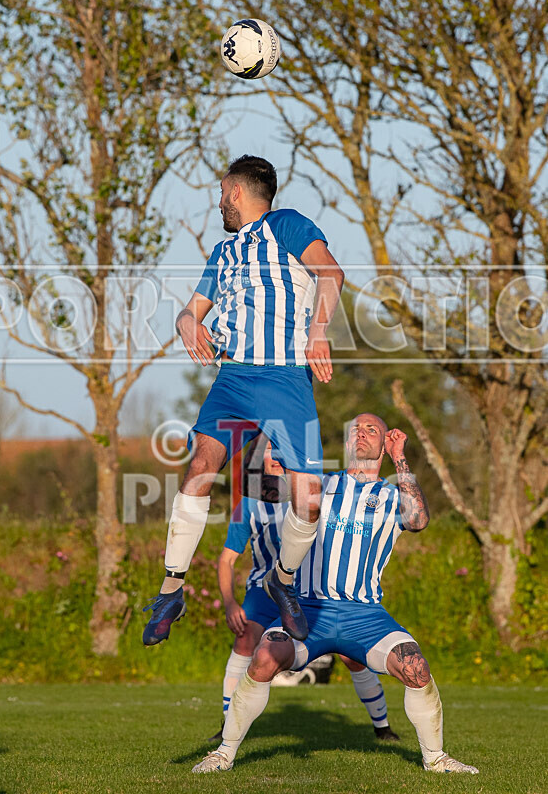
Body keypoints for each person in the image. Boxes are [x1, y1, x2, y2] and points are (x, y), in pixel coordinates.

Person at [192, 414, 479, 775]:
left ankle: (435, 759)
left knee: (415, 667)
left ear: (384, 443)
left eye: (371, 429)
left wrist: (400, 458)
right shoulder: (319, 485)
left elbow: (419, 521)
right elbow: (260, 488)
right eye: (355, 430)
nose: (361, 434)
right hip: (308, 610)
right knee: (263, 657)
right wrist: (269, 427)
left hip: (365, 615)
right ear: (346, 444)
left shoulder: (391, 495)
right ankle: (223, 754)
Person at [143, 155, 344, 645]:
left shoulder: (287, 225)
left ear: (235, 190)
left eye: (220, 190)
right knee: (199, 470)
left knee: (308, 499)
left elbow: (331, 274)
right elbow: (191, 311)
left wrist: (318, 334)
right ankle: (172, 589)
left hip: (284, 378)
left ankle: (284, 580)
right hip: (232, 378)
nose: (218, 200)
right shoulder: (223, 251)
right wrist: (188, 322)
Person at [211, 435, 399, 742]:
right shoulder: (247, 503)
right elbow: (226, 560)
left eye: (280, 448)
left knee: (351, 654)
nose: (274, 455)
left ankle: (382, 726)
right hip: (264, 589)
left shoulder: (311, 490)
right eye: (268, 449)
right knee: (246, 639)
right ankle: (226, 726)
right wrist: (231, 604)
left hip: (307, 588)